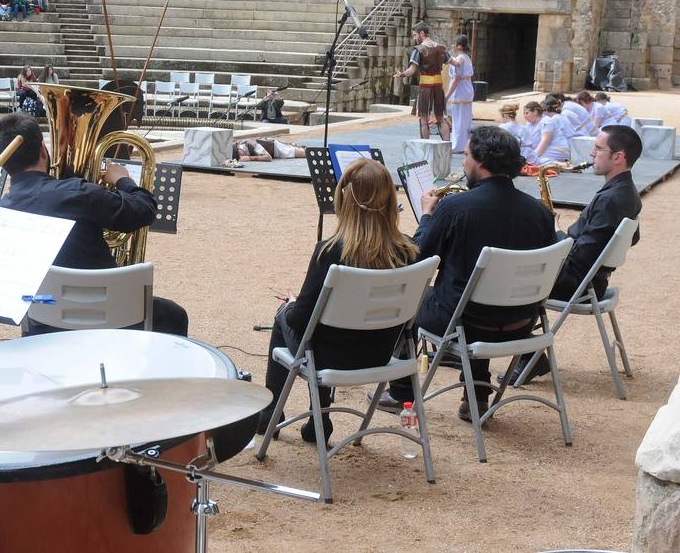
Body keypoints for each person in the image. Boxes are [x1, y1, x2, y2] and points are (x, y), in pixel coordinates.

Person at [371, 126, 556, 421]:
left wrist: (429, 216)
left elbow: (419, 260)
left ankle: (401, 391)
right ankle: (476, 396)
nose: (464, 162)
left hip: (466, 323)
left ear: (481, 162)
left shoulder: (454, 208)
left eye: (466, 155)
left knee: (419, 298)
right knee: (476, 294)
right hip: (522, 322)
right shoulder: (540, 213)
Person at [258, 159, 417, 441]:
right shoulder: (408, 252)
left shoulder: (329, 252)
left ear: (345, 199)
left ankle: (273, 413)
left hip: (330, 357)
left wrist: (293, 304)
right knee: (320, 329)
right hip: (380, 353)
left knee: (285, 315)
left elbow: (300, 319)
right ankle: (317, 421)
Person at [0, 112, 189, 337]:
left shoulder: (0, 210)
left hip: (42, 318)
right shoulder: (76, 192)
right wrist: (122, 178)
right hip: (110, 315)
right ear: (43, 150)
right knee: (175, 315)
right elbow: (145, 210)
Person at [509, 126, 642, 384]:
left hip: (579, 283)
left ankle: (529, 356)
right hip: (592, 279)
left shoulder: (611, 199)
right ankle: (530, 355)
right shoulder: (625, 191)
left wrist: (557, 233)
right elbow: (632, 237)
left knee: (513, 280)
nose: (592, 153)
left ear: (618, 157)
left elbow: (581, 257)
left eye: (599, 148)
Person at [394, 22, 451, 143]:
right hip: (438, 86)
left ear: (421, 33)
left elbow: (412, 70)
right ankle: (447, 145)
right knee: (440, 118)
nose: (414, 38)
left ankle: (425, 146)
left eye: (415, 35)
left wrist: (401, 74)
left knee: (424, 118)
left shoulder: (418, 50)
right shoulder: (441, 48)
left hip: (425, 87)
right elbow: (454, 62)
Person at [445, 35, 474, 154]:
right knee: (465, 120)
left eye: (455, 44)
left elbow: (456, 78)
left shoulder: (459, 59)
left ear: (460, 46)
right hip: (466, 90)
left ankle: (458, 145)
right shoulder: (465, 57)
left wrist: (447, 95)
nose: (453, 46)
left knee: (458, 120)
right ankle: (464, 144)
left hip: (460, 91)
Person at [528, 94, 572, 165]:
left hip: (563, 148)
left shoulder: (554, 119)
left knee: (535, 159)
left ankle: (558, 164)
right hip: (562, 146)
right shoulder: (558, 116)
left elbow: (546, 139)